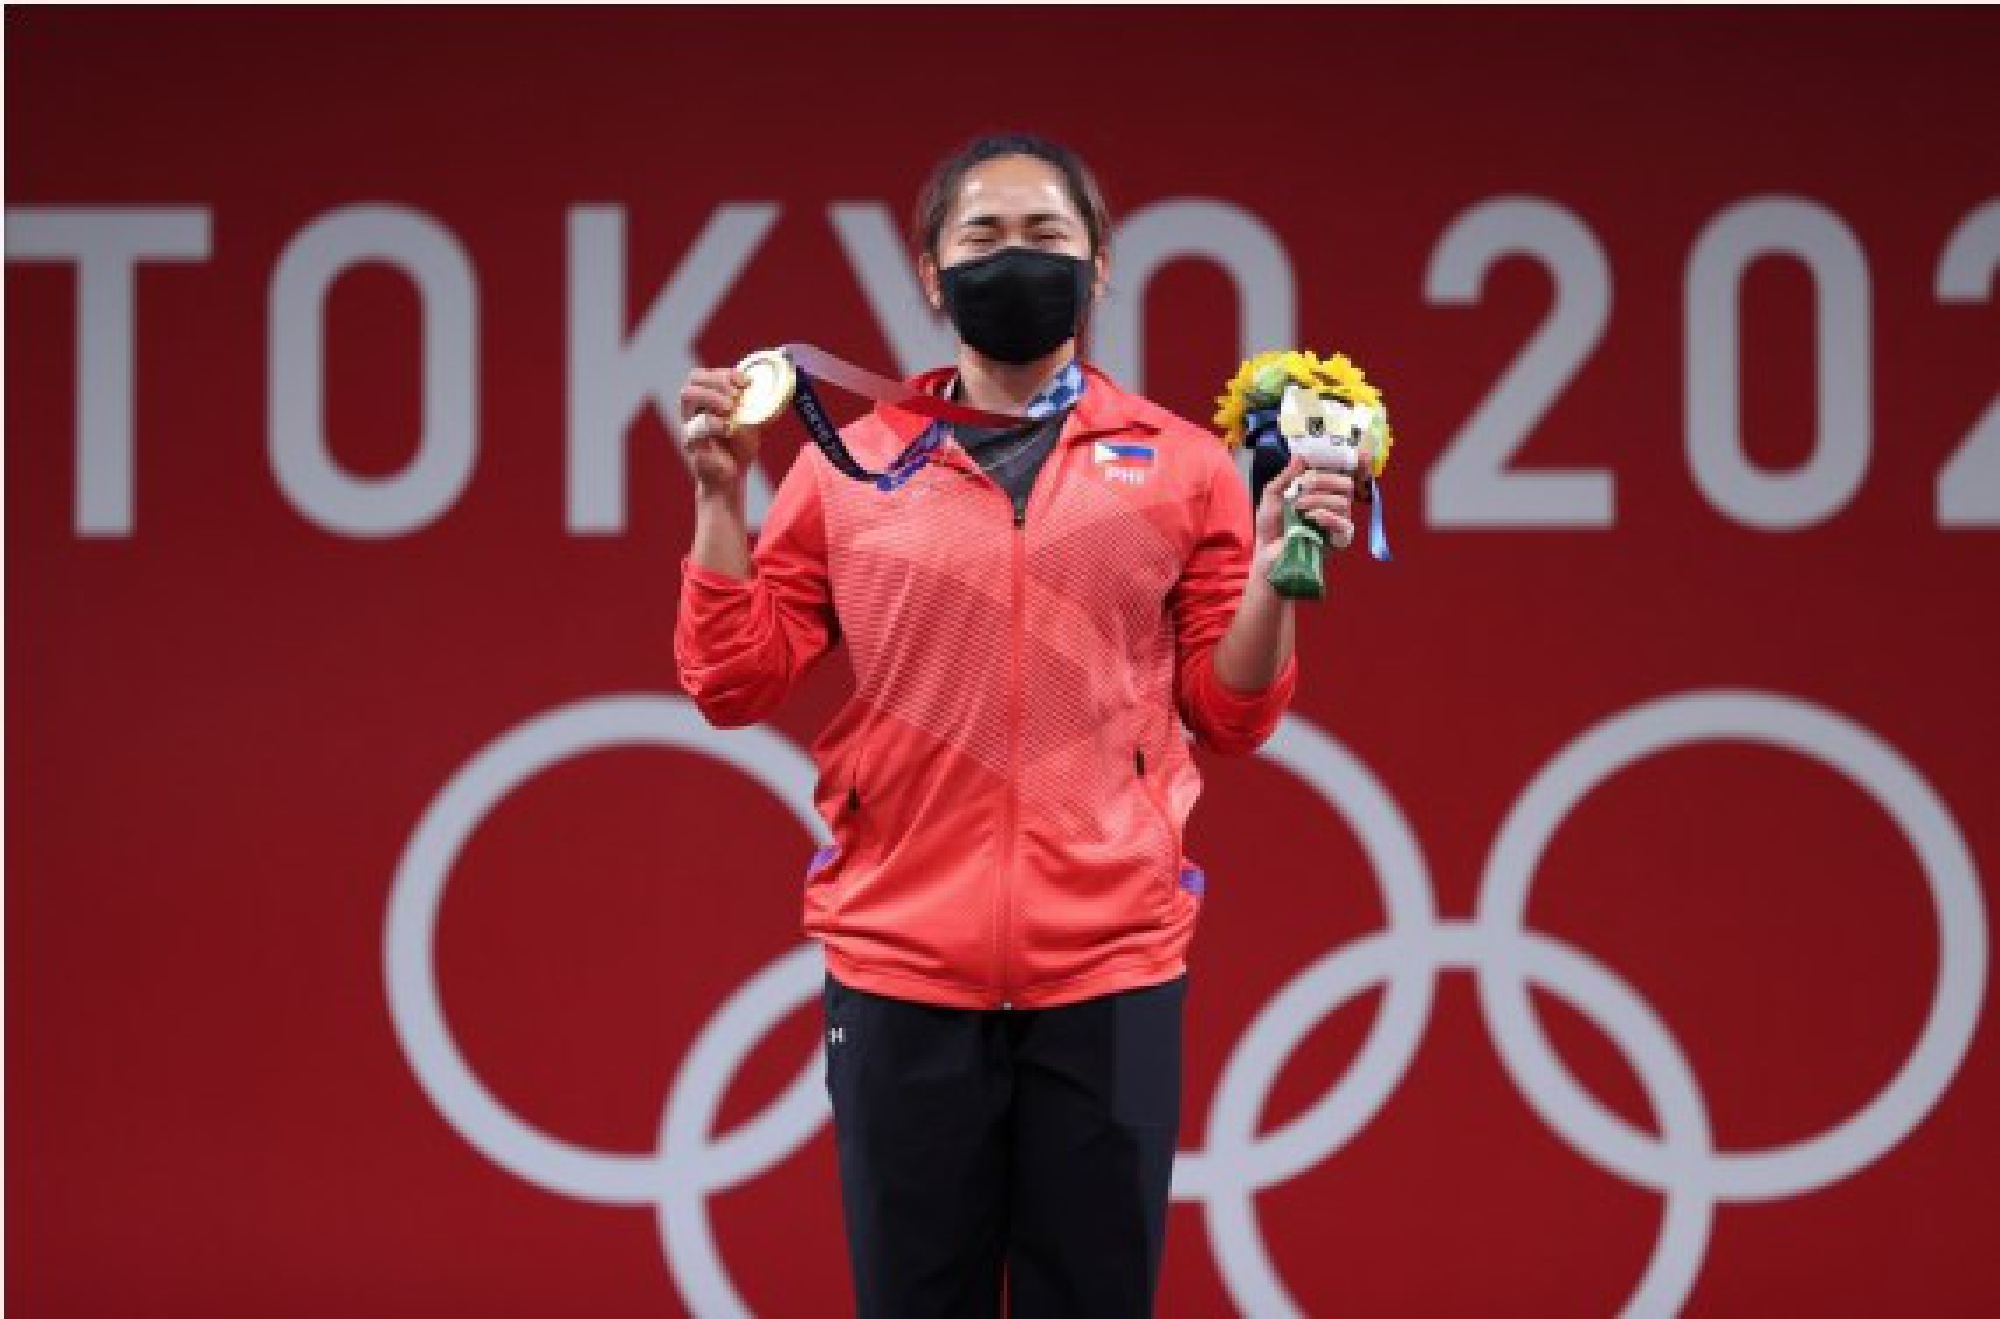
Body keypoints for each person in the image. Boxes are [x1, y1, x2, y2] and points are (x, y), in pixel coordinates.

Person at [673, 132, 1354, 1318]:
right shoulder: (851, 465)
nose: (1015, 257)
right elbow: (732, 678)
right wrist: (720, 497)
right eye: (980, 236)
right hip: (901, 966)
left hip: (1109, 967)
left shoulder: (1185, 469)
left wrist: (1274, 576)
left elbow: (1230, 712)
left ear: (1099, 264)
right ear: (930, 275)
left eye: (1045, 234)